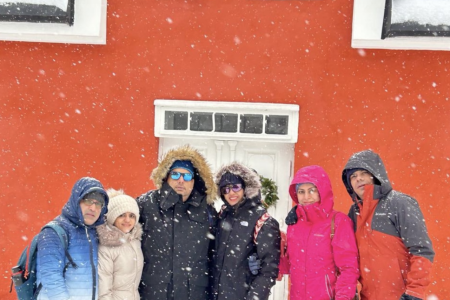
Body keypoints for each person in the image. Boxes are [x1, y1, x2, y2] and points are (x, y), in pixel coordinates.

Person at [342, 150, 435, 300]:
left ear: (375, 174)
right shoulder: (354, 213)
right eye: (353, 176)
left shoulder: (400, 203)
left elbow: (422, 251)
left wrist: (414, 293)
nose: (358, 178)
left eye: (363, 172)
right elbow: (347, 256)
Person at [137, 145, 218, 300]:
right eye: (175, 174)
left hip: (193, 293)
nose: (181, 180)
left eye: (187, 176)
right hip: (154, 292)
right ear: (167, 176)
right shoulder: (146, 204)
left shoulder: (207, 211)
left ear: (194, 181)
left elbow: (219, 249)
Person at [278, 165, 359, 300]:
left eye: (312, 190)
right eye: (301, 192)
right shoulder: (294, 224)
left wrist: (343, 297)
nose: (306, 196)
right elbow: (290, 265)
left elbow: (348, 268)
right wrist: (273, 252)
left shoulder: (338, 221)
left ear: (322, 191)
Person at [212, 162, 281, 300]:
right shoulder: (222, 216)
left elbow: (268, 271)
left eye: (236, 187)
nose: (231, 193)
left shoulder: (263, 221)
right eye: (225, 189)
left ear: (246, 188)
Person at [36, 177, 109, 300]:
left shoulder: (94, 232)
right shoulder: (54, 231)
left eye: (98, 203)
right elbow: (51, 276)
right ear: (76, 200)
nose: (93, 208)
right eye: (88, 201)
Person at [97, 188, 144, 300]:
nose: (127, 220)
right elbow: (103, 291)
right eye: (122, 215)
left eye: (132, 215)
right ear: (113, 217)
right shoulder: (106, 246)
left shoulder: (135, 241)